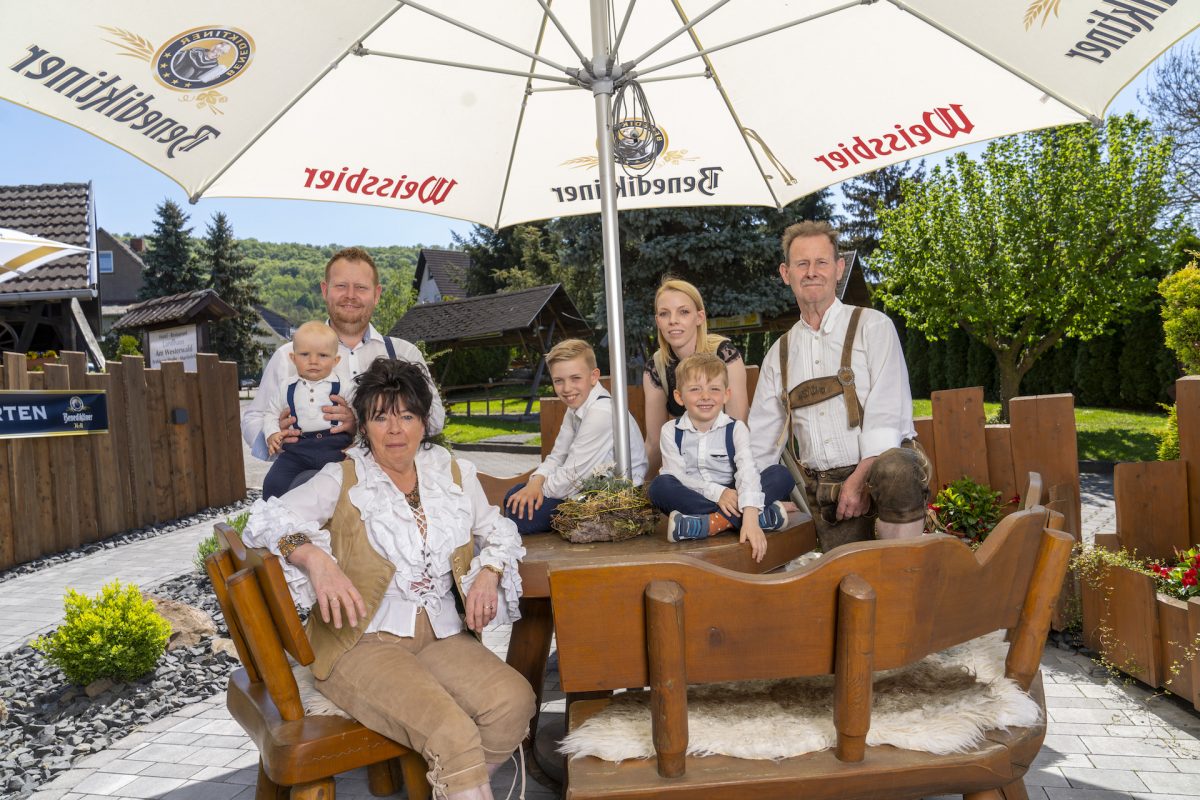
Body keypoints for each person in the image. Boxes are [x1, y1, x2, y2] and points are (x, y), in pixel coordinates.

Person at [242, 358, 535, 800]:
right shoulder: (342, 478)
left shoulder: (453, 476)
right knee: (452, 734)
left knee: (516, 702)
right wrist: (316, 561)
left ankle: (459, 785)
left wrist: (490, 573)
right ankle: (463, 782)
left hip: (442, 636)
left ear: (423, 422)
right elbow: (266, 519)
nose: (395, 429)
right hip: (361, 642)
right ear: (364, 425)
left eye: (406, 415)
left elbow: (499, 531)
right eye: (381, 416)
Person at [748, 221, 928, 552]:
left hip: (883, 482)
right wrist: (755, 499)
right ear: (786, 273)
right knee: (849, 590)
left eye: (821, 262)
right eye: (802, 264)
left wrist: (859, 481)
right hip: (829, 497)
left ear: (839, 268)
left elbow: (888, 414)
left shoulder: (873, 327)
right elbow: (760, 442)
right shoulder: (779, 355)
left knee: (896, 468)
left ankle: (906, 574)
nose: (812, 272)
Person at [242, 246, 445, 492]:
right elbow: (253, 418)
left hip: (387, 490)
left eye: (361, 287)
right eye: (341, 286)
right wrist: (274, 437)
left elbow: (434, 420)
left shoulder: (403, 354)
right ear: (325, 291)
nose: (350, 295)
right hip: (305, 483)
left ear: (376, 294)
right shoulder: (288, 356)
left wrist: (362, 424)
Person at [647, 353, 795, 562]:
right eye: (695, 389)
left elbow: (747, 471)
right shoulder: (670, 431)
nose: (705, 396)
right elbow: (677, 476)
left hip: (736, 492)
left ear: (726, 395)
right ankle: (761, 516)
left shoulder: (736, 429)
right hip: (696, 496)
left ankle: (712, 523)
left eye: (714, 389)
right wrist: (719, 493)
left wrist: (750, 519)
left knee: (781, 475)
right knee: (660, 486)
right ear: (679, 397)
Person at [504, 339, 648, 534]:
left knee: (517, 510)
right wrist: (535, 482)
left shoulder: (601, 412)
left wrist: (534, 491)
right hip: (582, 488)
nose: (567, 389)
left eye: (575, 378)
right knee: (514, 497)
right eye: (558, 381)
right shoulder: (576, 406)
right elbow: (557, 456)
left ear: (593, 376)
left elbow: (573, 476)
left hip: (612, 500)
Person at [643, 277, 748, 479]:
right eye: (665, 314)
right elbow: (654, 443)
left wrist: (741, 487)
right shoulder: (657, 367)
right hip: (689, 469)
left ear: (699, 317)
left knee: (778, 477)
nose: (673, 320)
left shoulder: (724, 354)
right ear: (658, 321)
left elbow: (739, 425)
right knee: (661, 486)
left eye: (683, 312)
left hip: (728, 465)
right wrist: (637, 489)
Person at [259, 321, 354, 499]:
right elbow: (271, 413)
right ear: (293, 358)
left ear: (336, 360)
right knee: (274, 483)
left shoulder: (344, 386)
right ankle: (272, 521)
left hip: (334, 448)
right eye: (304, 354)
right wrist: (272, 434)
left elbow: (361, 413)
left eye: (323, 355)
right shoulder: (286, 387)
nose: (313, 361)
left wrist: (358, 437)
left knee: (344, 487)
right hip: (298, 449)